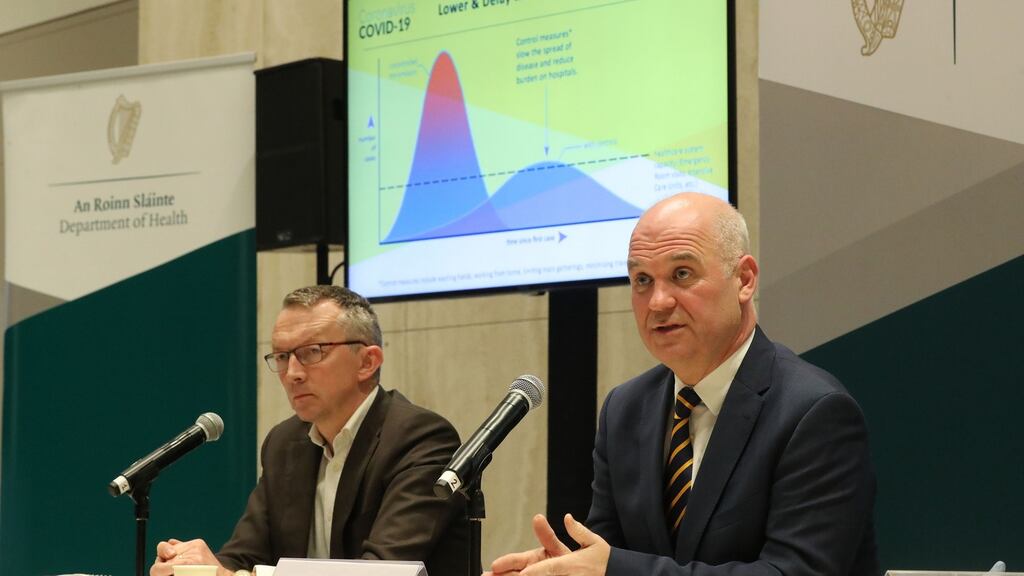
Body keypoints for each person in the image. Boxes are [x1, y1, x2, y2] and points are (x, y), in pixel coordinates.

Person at [486, 192, 879, 575]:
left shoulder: (813, 413)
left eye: (682, 274)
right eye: (641, 279)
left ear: (744, 279)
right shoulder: (625, 409)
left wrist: (612, 570)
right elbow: (606, 551)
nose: (657, 302)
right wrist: (563, 569)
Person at [151, 285, 468, 576]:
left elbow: (383, 570)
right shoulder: (284, 443)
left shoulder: (421, 439)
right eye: (282, 356)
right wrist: (193, 568)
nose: (292, 373)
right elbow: (242, 557)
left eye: (312, 352)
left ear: (367, 362)